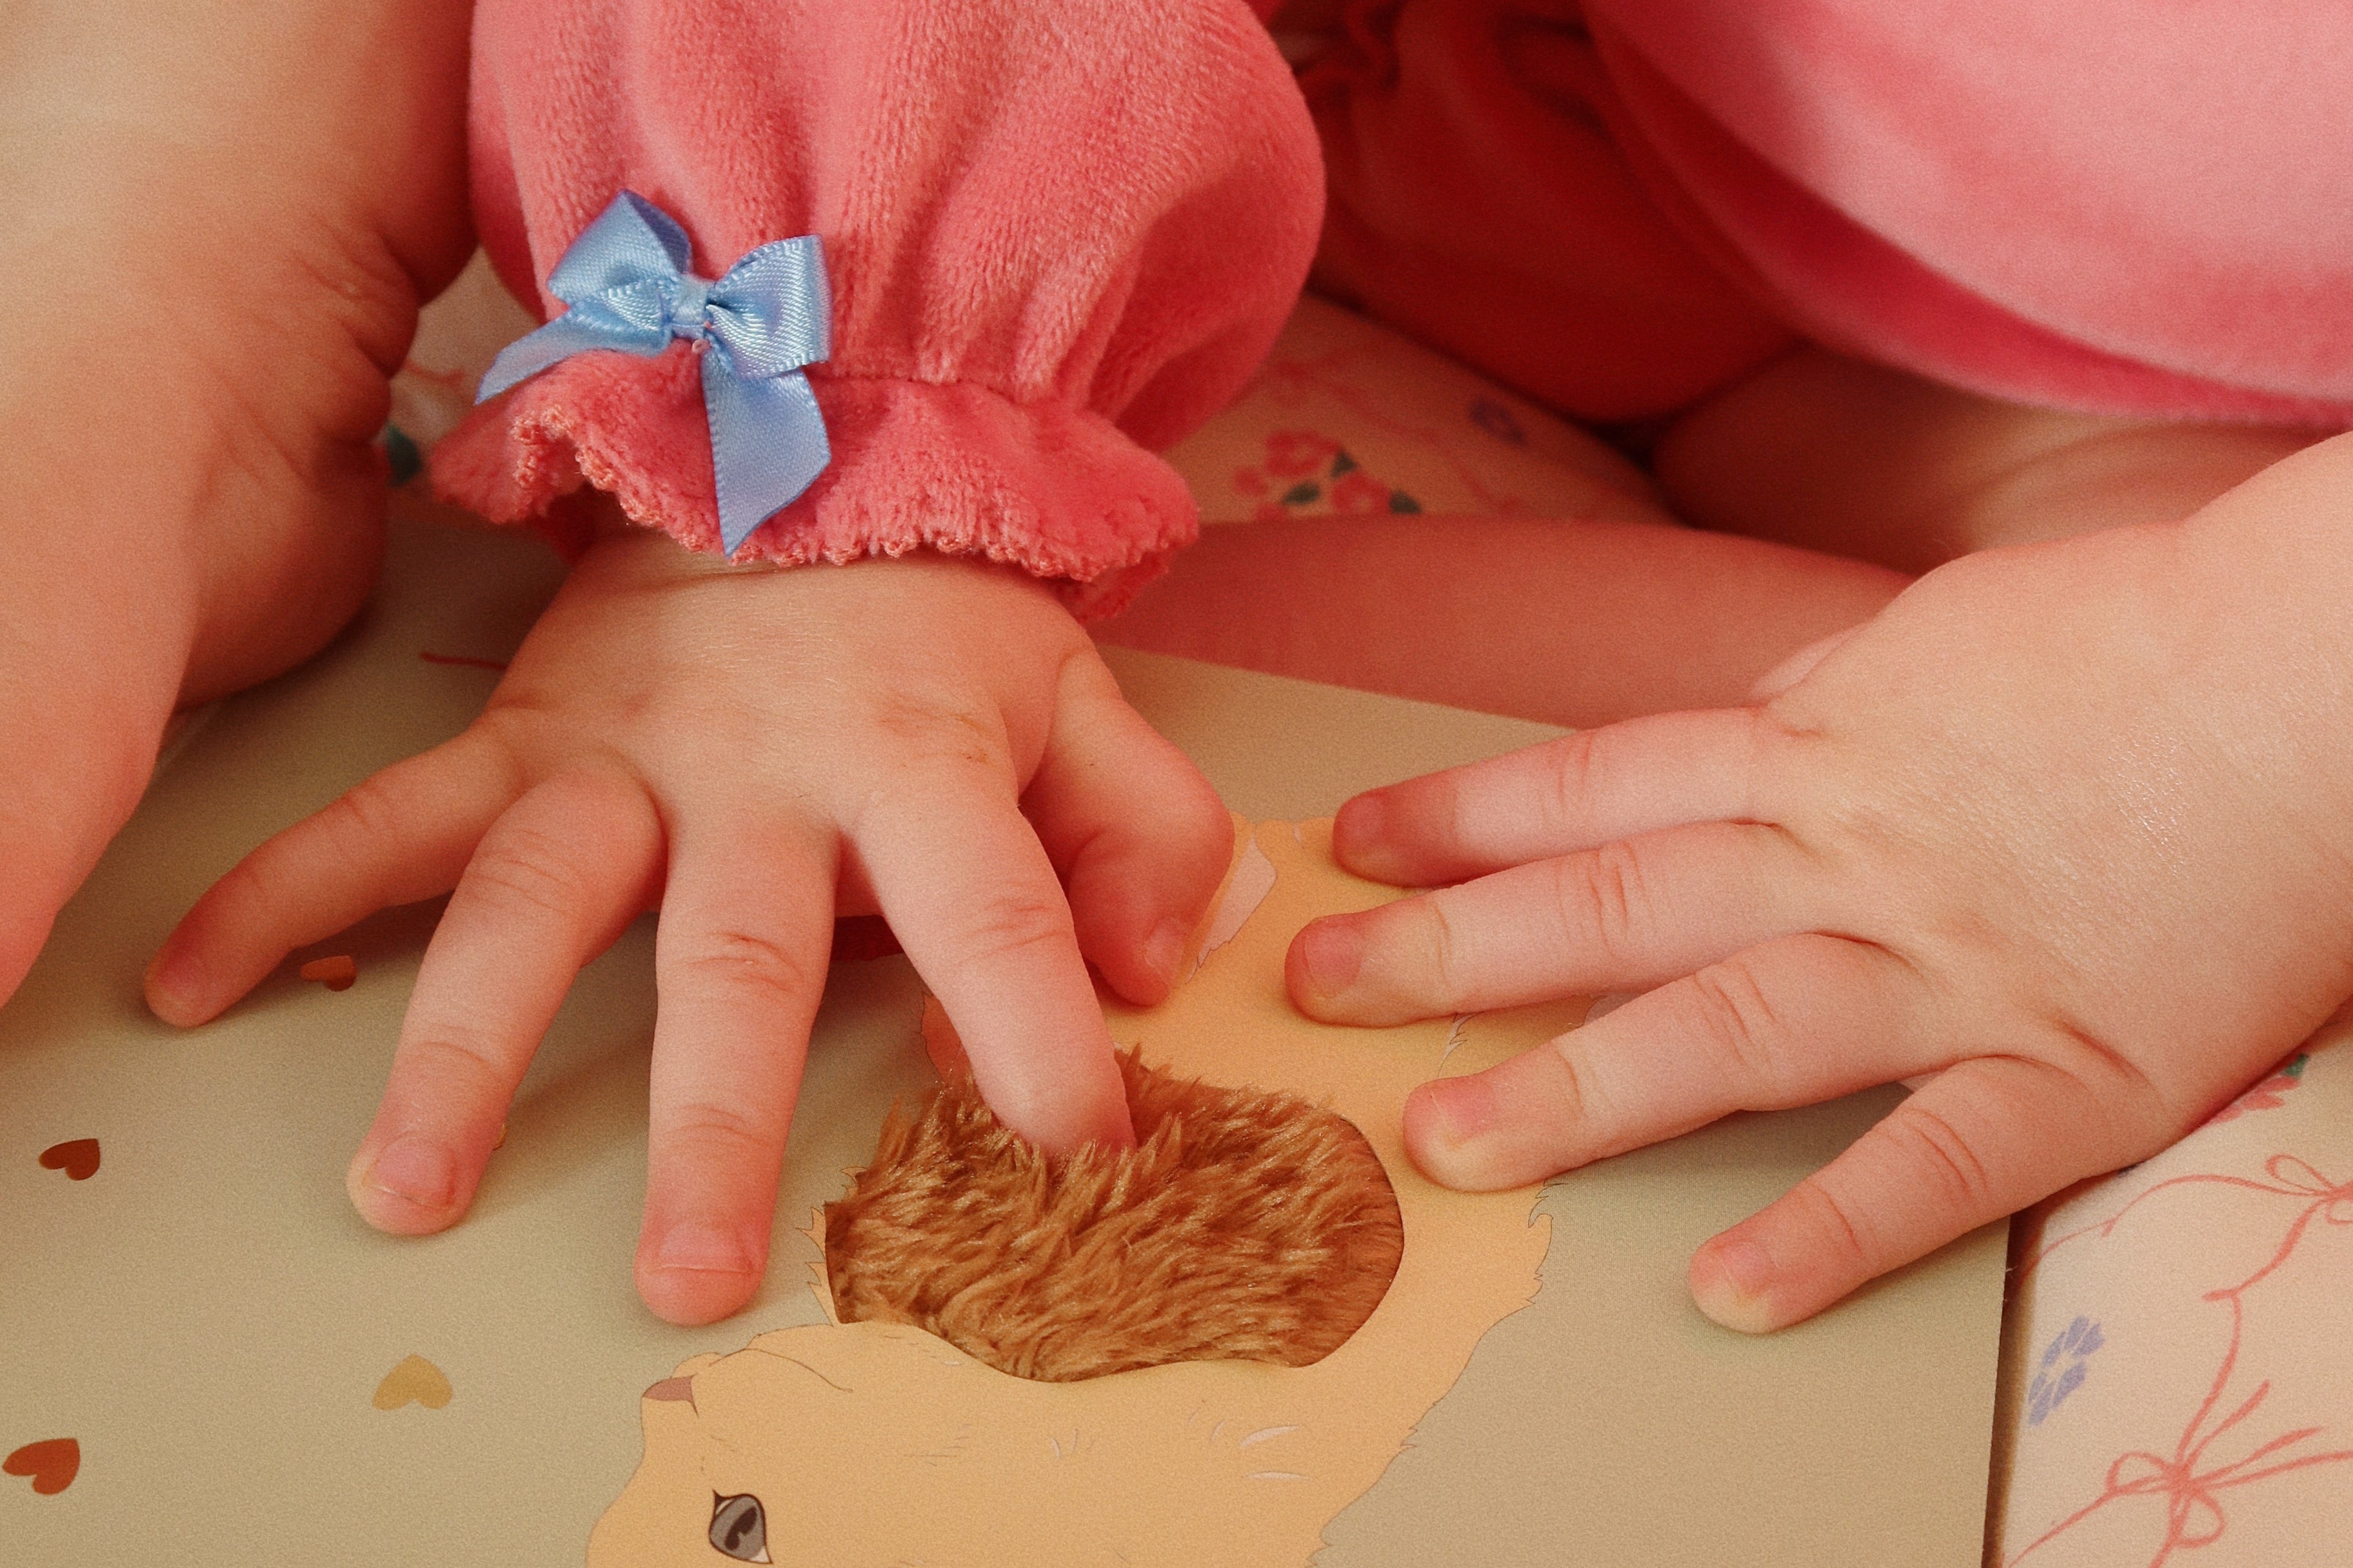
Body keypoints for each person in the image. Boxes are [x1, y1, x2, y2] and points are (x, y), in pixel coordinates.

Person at [10, 0, 2349, 1340]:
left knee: (1111, 820)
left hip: (2164, 443)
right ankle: (190, 256)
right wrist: (842, 452)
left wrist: (2233, 727)